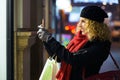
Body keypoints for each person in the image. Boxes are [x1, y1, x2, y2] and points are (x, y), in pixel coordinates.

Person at [37, 6, 111, 80]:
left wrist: (49, 39)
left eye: (83, 21)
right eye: (80, 21)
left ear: (94, 25)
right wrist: (45, 40)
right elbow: (59, 58)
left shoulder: (101, 44)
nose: (79, 25)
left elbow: (73, 59)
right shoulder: (79, 40)